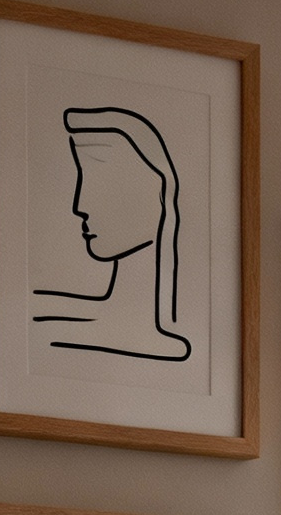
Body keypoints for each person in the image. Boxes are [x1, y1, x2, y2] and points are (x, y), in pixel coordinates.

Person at [33, 106, 191, 362]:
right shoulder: (43, 323)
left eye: (100, 177)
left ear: (159, 193)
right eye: (82, 177)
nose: (79, 205)